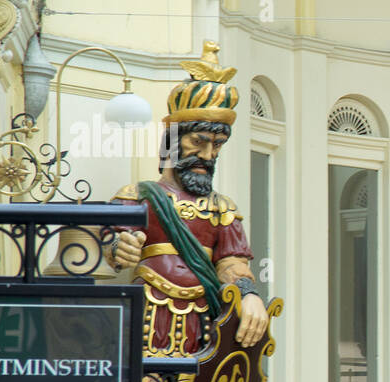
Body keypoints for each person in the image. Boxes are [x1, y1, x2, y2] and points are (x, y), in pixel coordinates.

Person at [106, 41, 269, 356]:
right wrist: (118, 246)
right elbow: (111, 244)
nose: (208, 154)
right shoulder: (139, 195)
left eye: (218, 145)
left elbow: (231, 265)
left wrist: (248, 293)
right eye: (199, 141)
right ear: (172, 140)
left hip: (204, 322)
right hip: (147, 314)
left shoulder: (222, 209)